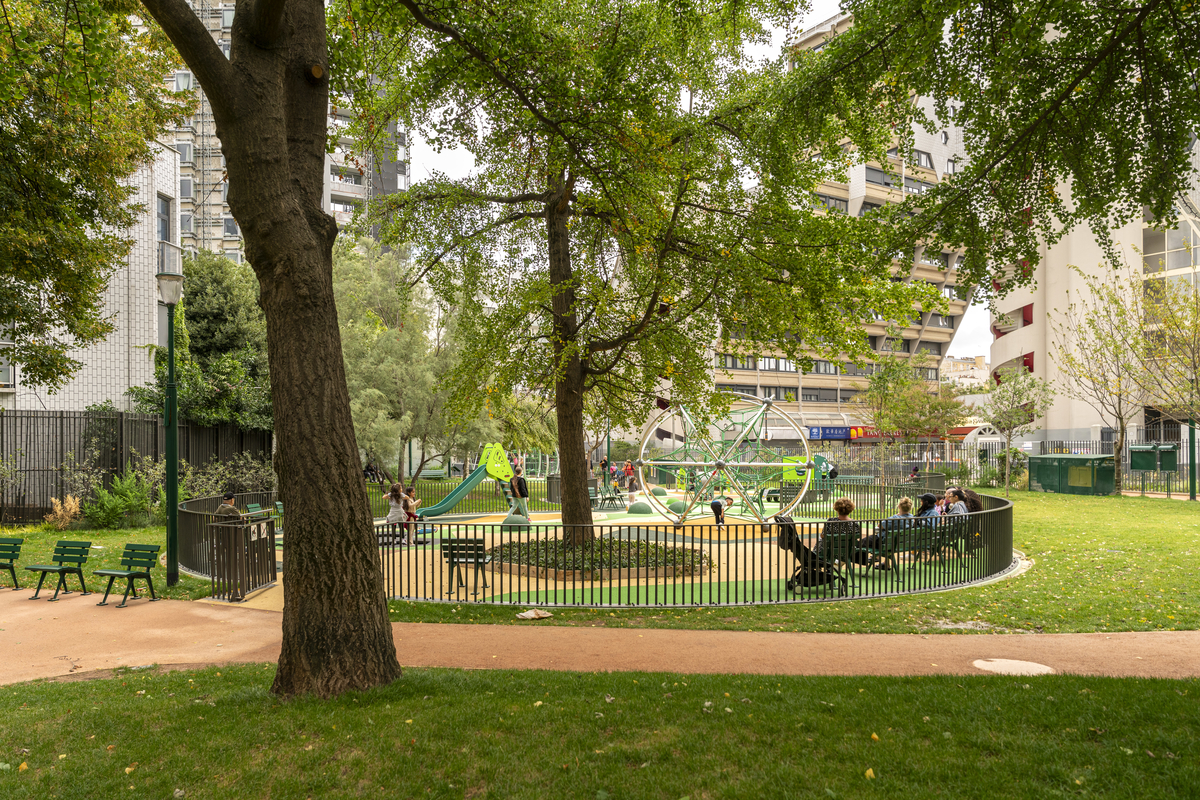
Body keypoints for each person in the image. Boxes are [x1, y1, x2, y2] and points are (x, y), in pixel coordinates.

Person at [861, 497, 914, 570]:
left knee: (863, 541)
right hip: (900, 543)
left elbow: (880, 525)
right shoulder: (912, 518)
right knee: (889, 539)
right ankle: (884, 562)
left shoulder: (894, 518)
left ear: (898, 506)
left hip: (885, 543)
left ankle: (871, 558)